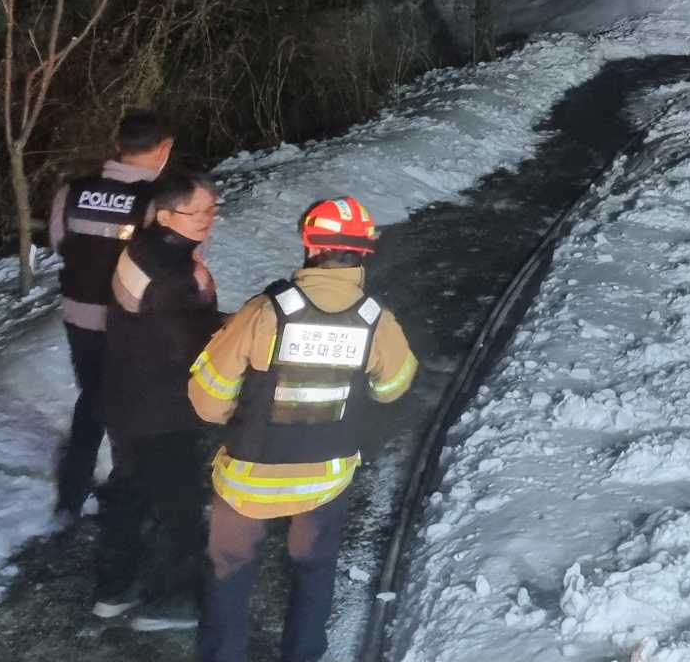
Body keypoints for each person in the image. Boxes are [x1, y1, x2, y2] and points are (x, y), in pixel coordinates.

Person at [189, 196, 417, 662]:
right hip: (325, 479)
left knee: (229, 572)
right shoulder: (376, 320)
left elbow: (207, 401)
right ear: (363, 251)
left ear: (310, 245)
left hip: (248, 477)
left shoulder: (265, 312)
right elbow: (392, 387)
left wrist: (242, 411)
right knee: (315, 571)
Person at [93, 168, 222, 630]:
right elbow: (188, 345)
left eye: (213, 208)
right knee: (178, 506)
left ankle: (115, 589)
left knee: (131, 495)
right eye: (197, 211)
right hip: (162, 409)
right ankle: (170, 602)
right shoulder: (173, 273)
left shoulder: (141, 248)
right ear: (166, 215)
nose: (208, 217)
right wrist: (233, 326)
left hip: (125, 398)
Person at [49, 108, 175, 521]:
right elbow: (168, 268)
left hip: (79, 316)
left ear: (118, 145)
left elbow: (59, 243)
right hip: (133, 322)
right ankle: (119, 492)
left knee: (95, 397)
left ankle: (76, 493)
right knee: (126, 402)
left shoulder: (72, 191)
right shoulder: (159, 201)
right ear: (164, 148)